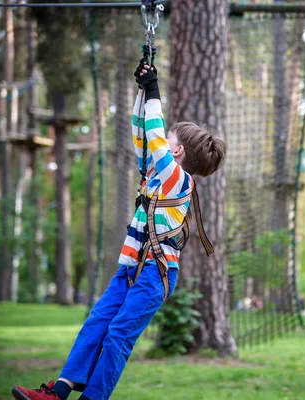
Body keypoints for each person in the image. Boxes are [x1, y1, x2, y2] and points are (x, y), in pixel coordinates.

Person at [12, 55, 226, 400]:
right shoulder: (156, 175)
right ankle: (60, 391)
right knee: (96, 325)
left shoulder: (177, 179)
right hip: (130, 271)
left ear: (179, 151)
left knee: (118, 336)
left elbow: (155, 140)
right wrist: (143, 92)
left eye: (169, 141)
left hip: (155, 276)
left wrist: (156, 90)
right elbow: (143, 137)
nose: (162, 143)